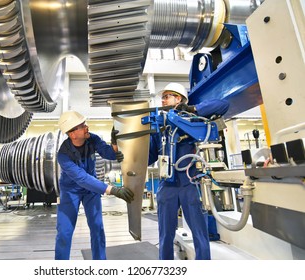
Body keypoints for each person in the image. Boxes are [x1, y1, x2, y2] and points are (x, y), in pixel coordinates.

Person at [148, 82, 229, 260]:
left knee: (200, 233)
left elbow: (223, 105)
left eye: (167, 96)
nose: (163, 100)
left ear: (179, 99)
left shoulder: (191, 120)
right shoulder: (159, 127)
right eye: (162, 97)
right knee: (165, 235)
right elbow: (149, 157)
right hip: (166, 185)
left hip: (189, 182)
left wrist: (192, 109)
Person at [55, 110, 134, 260]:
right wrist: (113, 190)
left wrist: (115, 144)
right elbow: (82, 178)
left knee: (97, 228)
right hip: (71, 191)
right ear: (72, 134)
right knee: (64, 232)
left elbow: (108, 154)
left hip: (91, 191)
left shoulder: (92, 139)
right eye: (82, 125)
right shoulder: (63, 155)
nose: (87, 127)